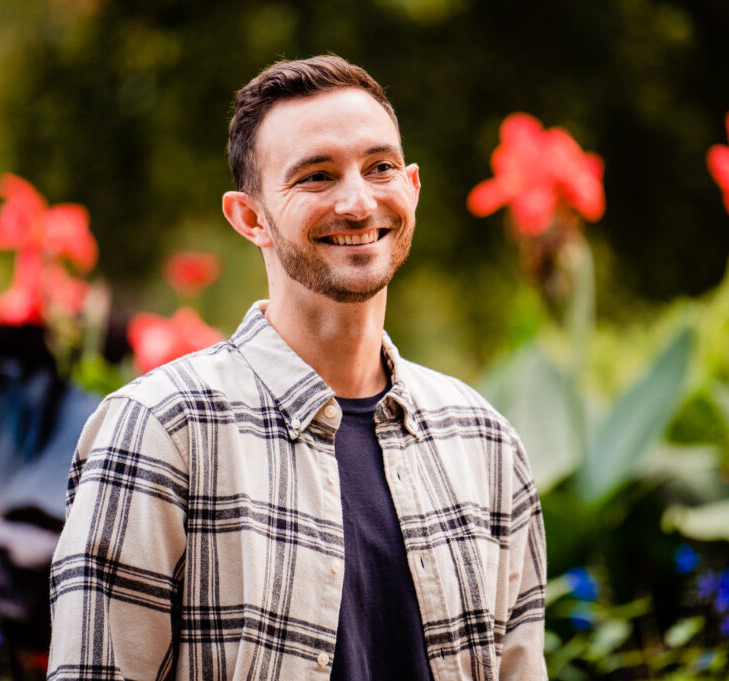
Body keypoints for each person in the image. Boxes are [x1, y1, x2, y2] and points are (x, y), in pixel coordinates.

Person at [47, 55, 547, 681]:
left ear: (413, 187)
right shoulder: (158, 432)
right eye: (316, 176)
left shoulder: (486, 443)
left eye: (380, 167)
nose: (359, 203)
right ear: (249, 216)